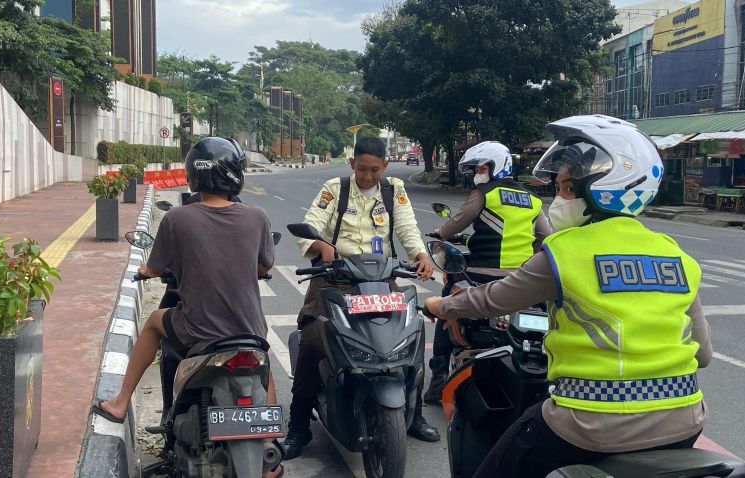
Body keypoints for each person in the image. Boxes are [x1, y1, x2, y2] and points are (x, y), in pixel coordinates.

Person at [424, 115, 712, 478]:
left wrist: (440, 304)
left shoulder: (565, 251)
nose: (556, 198)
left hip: (590, 424)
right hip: (685, 421)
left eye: (564, 188)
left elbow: (490, 300)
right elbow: (703, 354)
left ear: (601, 188)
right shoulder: (677, 255)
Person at [92, 137, 282, 477]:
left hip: (199, 330)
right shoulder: (258, 216)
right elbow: (264, 265)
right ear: (237, 174)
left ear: (193, 175)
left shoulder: (177, 219)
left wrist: (145, 272)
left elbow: (153, 267)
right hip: (250, 330)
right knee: (261, 363)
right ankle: (270, 452)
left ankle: (120, 403)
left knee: (152, 321)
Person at [283, 136, 438, 460]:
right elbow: (310, 225)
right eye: (362, 169)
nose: (368, 176)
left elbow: (408, 228)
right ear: (352, 164)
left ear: (384, 167)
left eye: (374, 170)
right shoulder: (335, 188)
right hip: (335, 277)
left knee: (412, 335)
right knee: (313, 338)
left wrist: (421, 254)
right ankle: (298, 426)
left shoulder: (393, 189)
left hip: (382, 278)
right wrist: (321, 246)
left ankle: (415, 413)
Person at [423, 141, 552, 403]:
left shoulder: (484, 193)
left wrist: (441, 233)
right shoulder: (533, 200)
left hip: (482, 272)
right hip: (522, 280)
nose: (477, 173)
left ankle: (437, 380)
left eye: (480, 168)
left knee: (446, 305)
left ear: (495, 168)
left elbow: (460, 220)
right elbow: (547, 236)